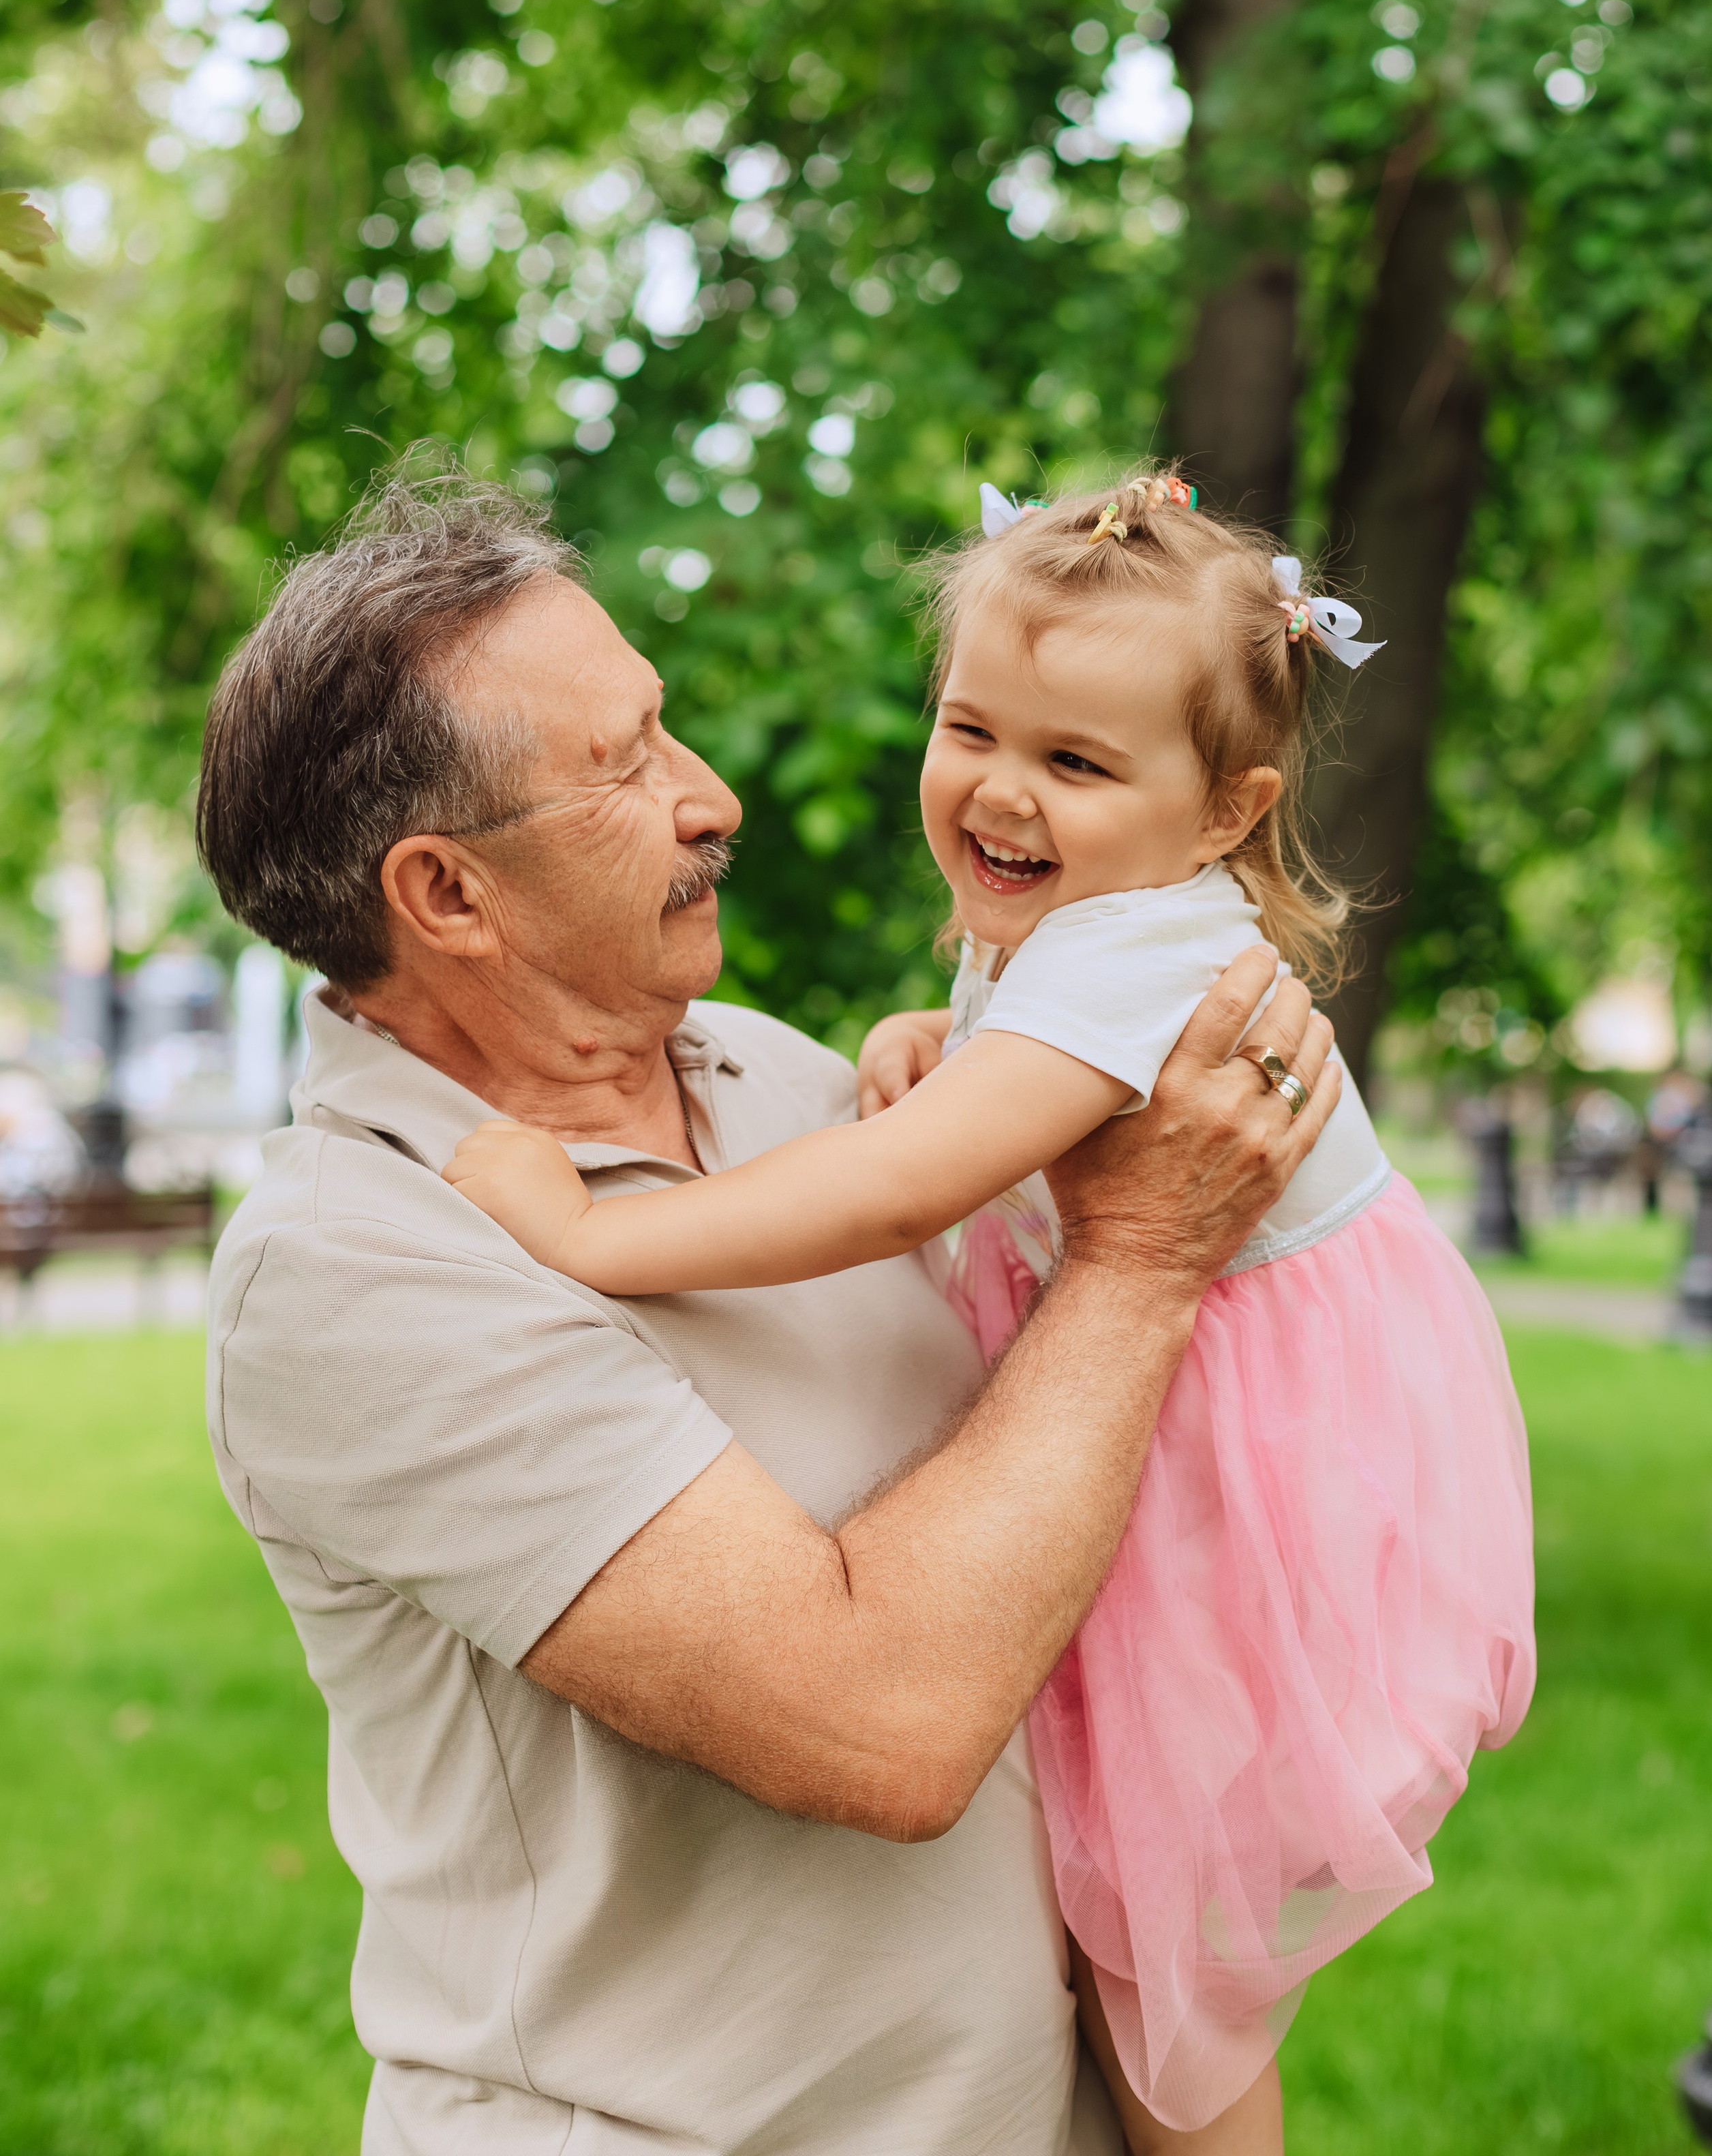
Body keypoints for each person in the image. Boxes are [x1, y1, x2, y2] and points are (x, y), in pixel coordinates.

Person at [196, 463, 1343, 2156]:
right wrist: (1144, 1256)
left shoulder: (792, 1090)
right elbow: (883, 1727)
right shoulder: (352, 1267)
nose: (711, 794)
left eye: (664, 727)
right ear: (447, 897)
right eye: (623, 770)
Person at [444, 469, 1538, 2153]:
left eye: (1076, 763)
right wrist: (934, 1039)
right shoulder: (1084, 922)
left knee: (1161, 1934)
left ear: (1228, 811)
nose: (1000, 792)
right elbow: (1015, 1087)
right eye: (973, 729)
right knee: (1140, 1927)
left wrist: (597, 1241)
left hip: (1250, 1469)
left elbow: (893, 1189)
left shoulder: (1135, 954)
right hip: (1225, 1411)